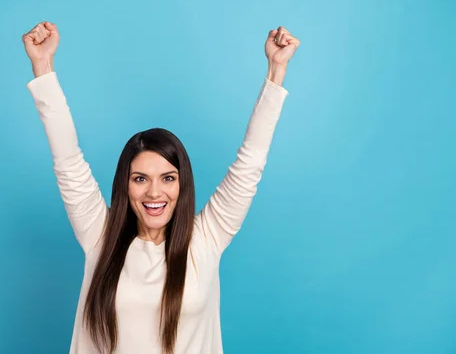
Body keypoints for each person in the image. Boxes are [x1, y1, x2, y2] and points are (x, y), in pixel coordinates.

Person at [22, 21, 300, 354]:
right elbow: (68, 161)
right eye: (140, 179)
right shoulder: (100, 235)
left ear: (183, 185)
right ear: (125, 186)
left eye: (168, 178)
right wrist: (43, 66)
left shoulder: (207, 238)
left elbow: (249, 163)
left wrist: (276, 70)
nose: (155, 193)